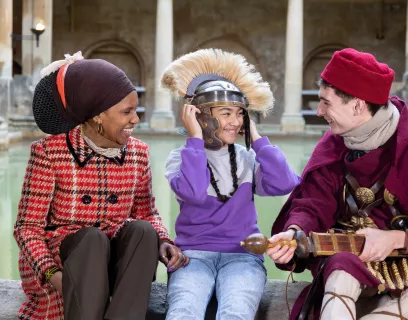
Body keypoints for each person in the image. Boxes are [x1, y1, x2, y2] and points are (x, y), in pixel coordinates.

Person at [268, 48, 408, 320]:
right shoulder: (334, 142)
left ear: (357, 105)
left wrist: (397, 238)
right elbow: (312, 202)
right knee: (340, 273)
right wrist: (295, 232)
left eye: (326, 103)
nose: (319, 110)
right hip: (351, 254)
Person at [13, 52, 188, 320]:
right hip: (62, 265)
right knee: (92, 239)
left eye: (136, 110)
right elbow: (27, 229)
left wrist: (164, 239)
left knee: (143, 231)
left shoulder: (138, 153)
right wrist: (54, 275)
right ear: (97, 116)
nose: (135, 120)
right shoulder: (50, 152)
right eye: (126, 112)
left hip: (115, 265)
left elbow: (146, 213)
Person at [160, 48, 301, 319]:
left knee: (236, 313)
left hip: (243, 257)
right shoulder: (180, 157)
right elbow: (195, 192)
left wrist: (258, 139)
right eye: (226, 113)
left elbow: (285, 183)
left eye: (239, 114)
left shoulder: (247, 157)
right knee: (183, 312)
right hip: (193, 257)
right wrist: (195, 139)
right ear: (200, 116)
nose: (235, 121)